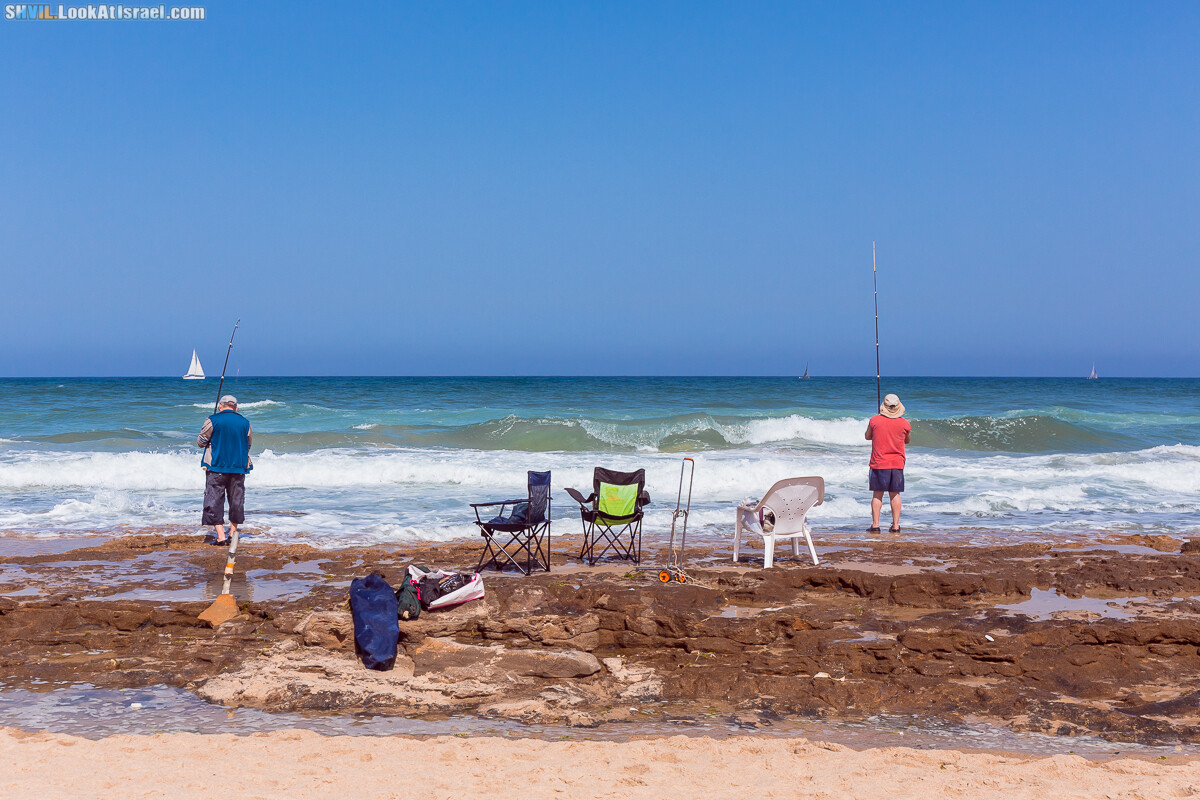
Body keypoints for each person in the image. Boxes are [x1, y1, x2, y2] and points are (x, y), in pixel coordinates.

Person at [196, 395, 253, 545]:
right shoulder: (245, 423)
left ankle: (221, 536)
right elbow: (248, 444)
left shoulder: (212, 420)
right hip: (239, 468)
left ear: (220, 406)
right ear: (236, 408)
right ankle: (233, 534)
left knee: (214, 499)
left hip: (216, 467)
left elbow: (201, 442)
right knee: (236, 501)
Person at [864, 393, 911, 533]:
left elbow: (867, 437)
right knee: (895, 494)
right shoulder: (905, 423)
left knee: (877, 494)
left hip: (879, 463)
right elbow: (907, 441)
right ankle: (896, 526)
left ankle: (875, 525)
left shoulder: (874, 420)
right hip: (897, 463)